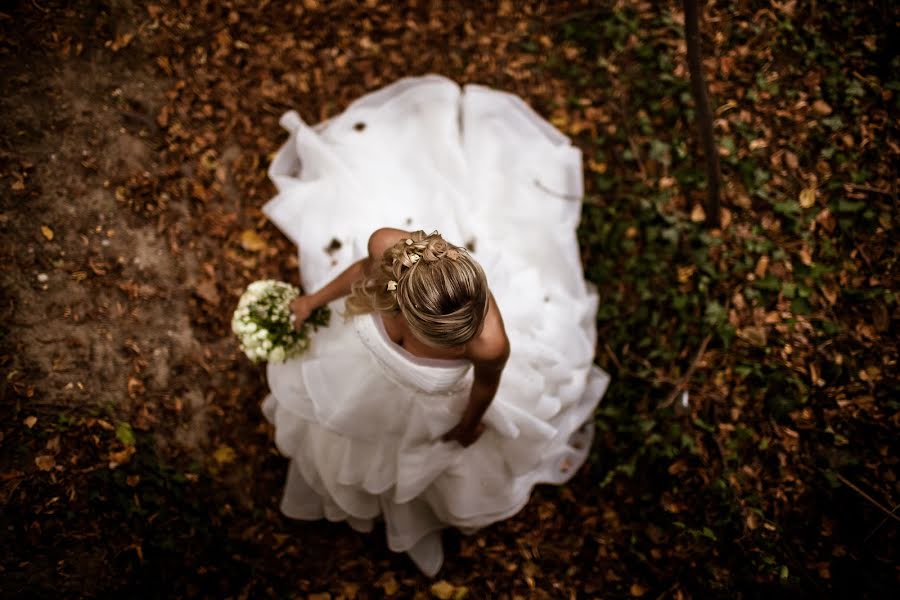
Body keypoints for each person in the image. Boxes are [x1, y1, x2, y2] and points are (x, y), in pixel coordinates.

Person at [261, 75, 609, 576]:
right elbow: (362, 273)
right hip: (359, 370)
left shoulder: (489, 344)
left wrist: (467, 428)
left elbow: (484, 390)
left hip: (435, 408)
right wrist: (313, 301)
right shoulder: (390, 248)